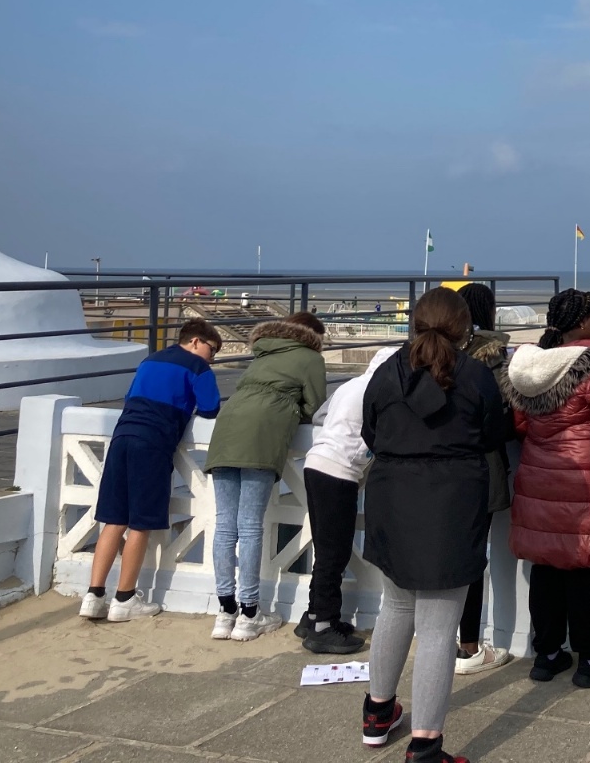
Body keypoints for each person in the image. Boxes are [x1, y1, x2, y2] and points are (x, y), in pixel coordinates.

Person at [359, 287, 507, 762]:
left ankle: (378, 712)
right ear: (464, 328)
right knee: (439, 628)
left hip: (392, 495)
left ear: (415, 324)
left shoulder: (389, 371)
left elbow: (369, 430)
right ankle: (425, 745)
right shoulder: (474, 375)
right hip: (451, 500)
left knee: (396, 606)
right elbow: (493, 432)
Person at [502, 288, 590, 689]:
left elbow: (519, 425)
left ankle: (546, 655)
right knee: (588, 570)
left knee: (546, 569)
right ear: (582, 323)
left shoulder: (529, 368)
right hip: (583, 481)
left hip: (537, 477)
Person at [81, 319, 223, 622]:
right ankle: (124, 598)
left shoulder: (150, 360)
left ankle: (93, 596)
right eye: (212, 350)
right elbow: (210, 408)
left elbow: (130, 397)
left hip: (122, 436)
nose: (212, 358)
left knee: (113, 520)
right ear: (196, 341)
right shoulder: (198, 367)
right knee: (140, 523)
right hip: (153, 442)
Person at [203, 311, 327, 641]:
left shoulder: (264, 352)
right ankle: (249, 614)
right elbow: (316, 407)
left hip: (227, 427)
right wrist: (294, 411)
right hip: (263, 432)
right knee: (249, 525)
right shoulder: (311, 357)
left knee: (225, 524)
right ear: (314, 337)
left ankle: (224, 612)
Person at [295, 340, 390, 655]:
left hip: (316, 462)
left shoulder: (350, 385)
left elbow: (319, 416)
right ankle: (324, 626)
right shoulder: (380, 391)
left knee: (325, 548)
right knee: (334, 552)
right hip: (340, 472)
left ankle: (313, 616)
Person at [453, 282, 515, 676]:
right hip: (481, 465)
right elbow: (503, 414)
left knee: (447, 552)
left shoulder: (440, 352)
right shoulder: (492, 353)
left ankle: (442, 636)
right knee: (475, 556)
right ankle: (470, 645)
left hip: (440, 466)